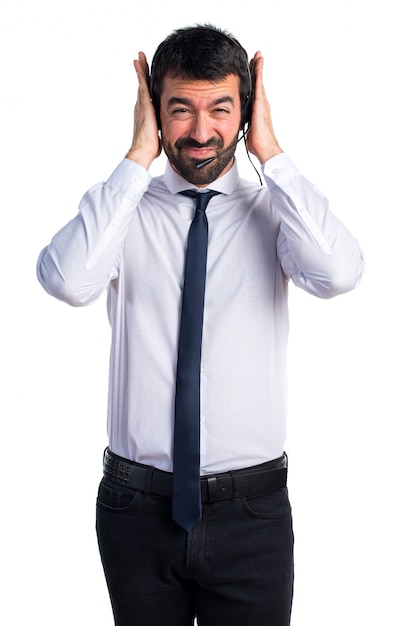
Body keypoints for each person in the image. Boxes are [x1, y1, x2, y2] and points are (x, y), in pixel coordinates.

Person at [37, 23, 364, 626]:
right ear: (154, 112)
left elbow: (339, 273)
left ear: (245, 111)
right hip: (136, 510)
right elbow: (65, 280)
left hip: (253, 513)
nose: (201, 130)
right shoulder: (122, 209)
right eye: (179, 109)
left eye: (221, 107)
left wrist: (272, 154)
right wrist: (137, 157)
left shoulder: (277, 213)